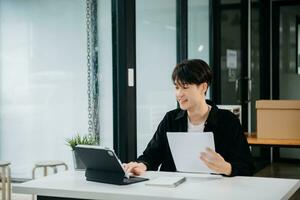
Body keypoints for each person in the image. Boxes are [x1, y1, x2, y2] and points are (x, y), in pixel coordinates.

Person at [124, 59, 255, 176]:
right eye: (176, 87)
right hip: (174, 190)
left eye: (185, 87)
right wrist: (141, 165)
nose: (179, 94)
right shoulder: (170, 118)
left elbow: (247, 166)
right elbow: (152, 154)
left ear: (203, 87)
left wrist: (226, 168)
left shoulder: (228, 121)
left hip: (215, 191)